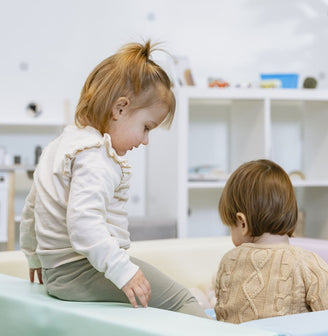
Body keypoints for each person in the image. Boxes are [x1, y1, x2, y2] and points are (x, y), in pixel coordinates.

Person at [20, 41, 207, 318]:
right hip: (81, 271)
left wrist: (34, 255)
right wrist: (124, 272)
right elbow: (84, 225)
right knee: (183, 301)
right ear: (119, 109)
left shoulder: (61, 145)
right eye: (146, 128)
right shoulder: (95, 156)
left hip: (57, 273)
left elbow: (32, 207)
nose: (145, 141)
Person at [214, 159, 328, 324]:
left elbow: (222, 319)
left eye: (229, 227)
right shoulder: (308, 263)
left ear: (242, 223)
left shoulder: (228, 261)